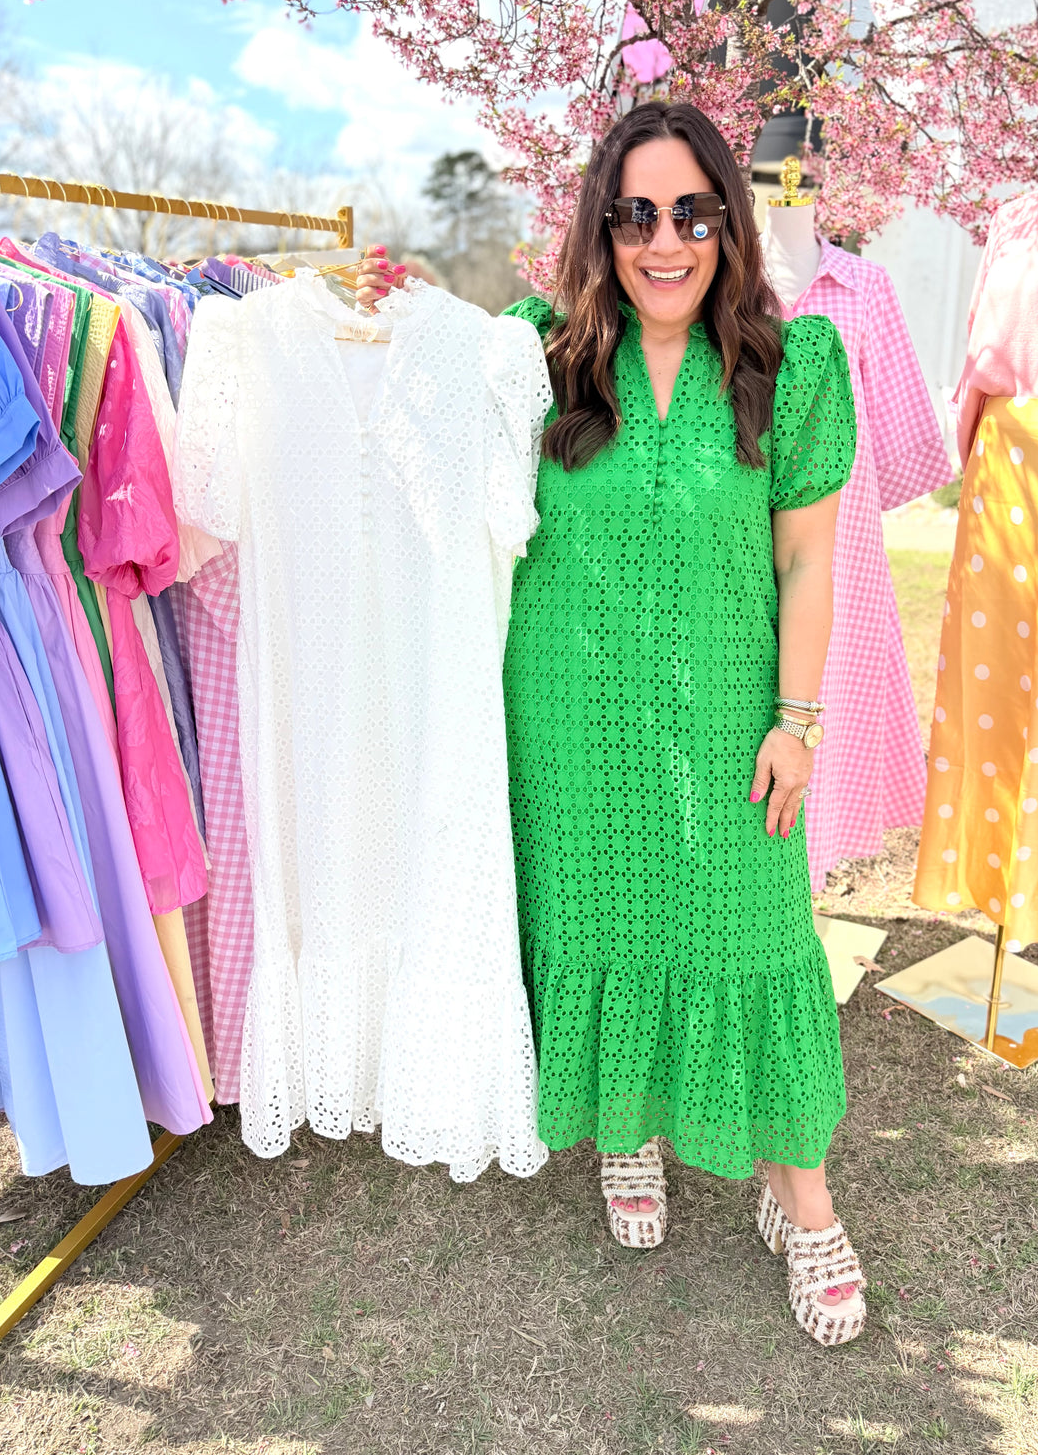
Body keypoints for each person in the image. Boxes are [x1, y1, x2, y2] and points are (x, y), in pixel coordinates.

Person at [357, 101, 865, 1347]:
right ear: (601, 226)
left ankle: (801, 1199)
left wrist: (796, 718)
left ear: (727, 222)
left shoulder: (793, 370)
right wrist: (383, 318)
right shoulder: (541, 356)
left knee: (749, 938)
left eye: (690, 211)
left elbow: (808, 564)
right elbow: (411, 437)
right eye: (635, 214)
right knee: (598, 920)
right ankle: (625, 1127)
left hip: (733, 715)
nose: (664, 241)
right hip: (569, 724)